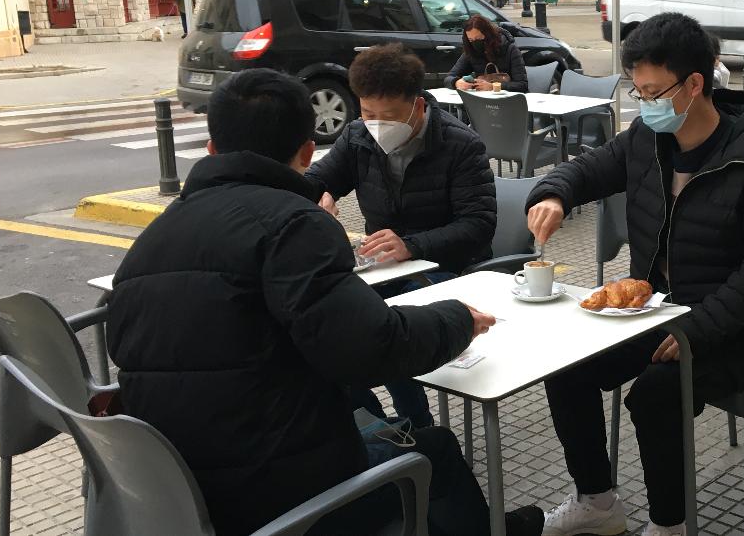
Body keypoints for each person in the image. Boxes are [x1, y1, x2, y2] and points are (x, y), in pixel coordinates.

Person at [106, 68, 541, 536]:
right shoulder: (293, 226)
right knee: (434, 450)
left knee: (363, 409)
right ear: (308, 150)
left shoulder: (153, 236)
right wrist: (456, 319)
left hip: (168, 488)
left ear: (212, 150)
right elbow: (373, 348)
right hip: (274, 495)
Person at [525, 13, 744, 536]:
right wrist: (553, 193)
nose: (642, 101)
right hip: (654, 311)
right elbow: (588, 167)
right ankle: (598, 502)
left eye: (653, 91)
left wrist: (696, 328)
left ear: (695, 84)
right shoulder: (646, 141)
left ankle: (670, 526)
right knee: (565, 368)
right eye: (637, 88)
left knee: (654, 392)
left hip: (731, 325)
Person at [307, 43, 495, 428]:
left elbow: (477, 226)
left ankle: (416, 424)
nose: (377, 125)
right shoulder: (358, 137)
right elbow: (318, 179)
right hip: (381, 269)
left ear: (418, 106)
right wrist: (316, 197)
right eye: (368, 113)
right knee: (328, 325)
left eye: (389, 116)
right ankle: (375, 425)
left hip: (448, 268)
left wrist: (411, 245)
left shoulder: (460, 146)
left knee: (387, 327)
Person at [444, 14, 529, 92]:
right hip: (482, 102)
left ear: (488, 35)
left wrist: (493, 86)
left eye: (478, 38)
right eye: (471, 40)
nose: (475, 43)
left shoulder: (510, 49)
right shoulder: (471, 52)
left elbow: (522, 85)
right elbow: (448, 78)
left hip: (508, 102)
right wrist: (456, 82)